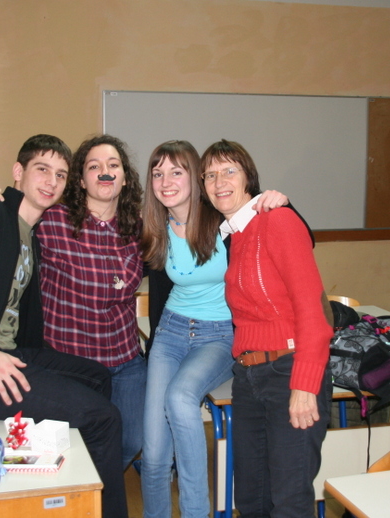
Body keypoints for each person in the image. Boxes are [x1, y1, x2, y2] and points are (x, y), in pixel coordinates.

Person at [0, 134, 128, 518]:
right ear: (18, 171)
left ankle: (70, 484)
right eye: (42, 169)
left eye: (60, 174)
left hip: (7, 354)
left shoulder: (32, 233)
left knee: (97, 378)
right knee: (105, 418)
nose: (51, 181)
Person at [140, 140, 291, 518]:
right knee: (154, 454)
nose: (166, 181)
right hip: (170, 333)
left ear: (195, 177)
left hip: (220, 335)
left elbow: (286, 232)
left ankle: (196, 512)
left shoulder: (225, 220)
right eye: (158, 174)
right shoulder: (155, 228)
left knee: (180, 398)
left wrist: (282, 203)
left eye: (176, 172)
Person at [200, 139, 332, 518]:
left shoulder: (277, 220)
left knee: (289, 502)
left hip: (290, 373)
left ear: (249, 178)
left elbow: (314, 310)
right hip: (248, 377)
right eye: (210, 175)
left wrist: (305, 385)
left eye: (229, 171)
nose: (219, 181)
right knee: (252, 499)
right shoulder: (233, 235)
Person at [37, 134, 147, 469]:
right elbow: (10, 216)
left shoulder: (138, 229)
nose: (105, 172)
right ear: (82, 180)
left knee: (131, 441)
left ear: (124, 178)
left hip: (125, 361)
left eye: (113, 165)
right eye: (94, 166)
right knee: (78, 448)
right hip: (72, 364)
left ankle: (101, 487)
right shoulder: (52, 220)